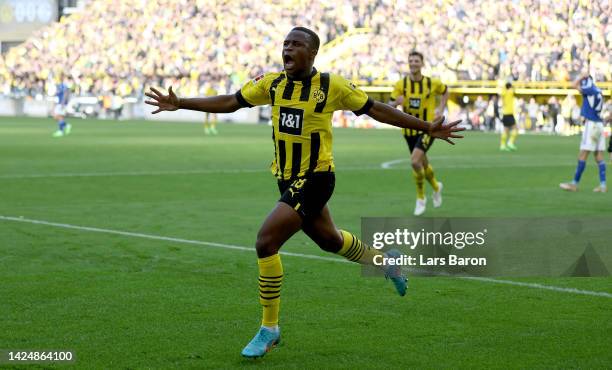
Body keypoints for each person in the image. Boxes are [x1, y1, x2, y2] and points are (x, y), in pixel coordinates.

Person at [145, 27, 463, 359]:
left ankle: (269, 329)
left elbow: (376, 109)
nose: (288, 49)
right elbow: (232, 101)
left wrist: (426, 126)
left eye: (296, 44)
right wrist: (181, 102)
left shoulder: (331, 86)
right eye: (285, 44)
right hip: (286, 178)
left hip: (317, 177)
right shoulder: (272, 84)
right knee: (330, 241)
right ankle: (386, 262)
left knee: (265, 241)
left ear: (312, 54)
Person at [388, 51, 449, 216]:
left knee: (415, 161)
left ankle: (421, 198)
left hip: (428, 128)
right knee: (422, 163)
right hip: (408, 131)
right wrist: (395, 102)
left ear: (422, 63)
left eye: (416, 61)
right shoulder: (401, 84)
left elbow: (445, 91)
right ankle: (436, 187)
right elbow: (389, 105)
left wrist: (440, 109)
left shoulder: (431, 83)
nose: (413, 63)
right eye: (411, 61)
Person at [560, 74, 606, 193]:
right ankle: (603, 185)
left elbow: (573, 85)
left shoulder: (589, 89)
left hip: (591, 124)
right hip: (600, 124)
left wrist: (581, 77)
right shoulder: (598, 90)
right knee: (599, 155)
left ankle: (574, 183)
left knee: (582, 155)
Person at [499, 82, 518, 150]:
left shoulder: (503, 93)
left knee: (505, 130)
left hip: (505, 113)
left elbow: (502, 92)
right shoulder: (510, 92)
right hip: (509, 113)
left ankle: (502, 145)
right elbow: (514, 91)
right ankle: (510, 143)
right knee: (515, 129)